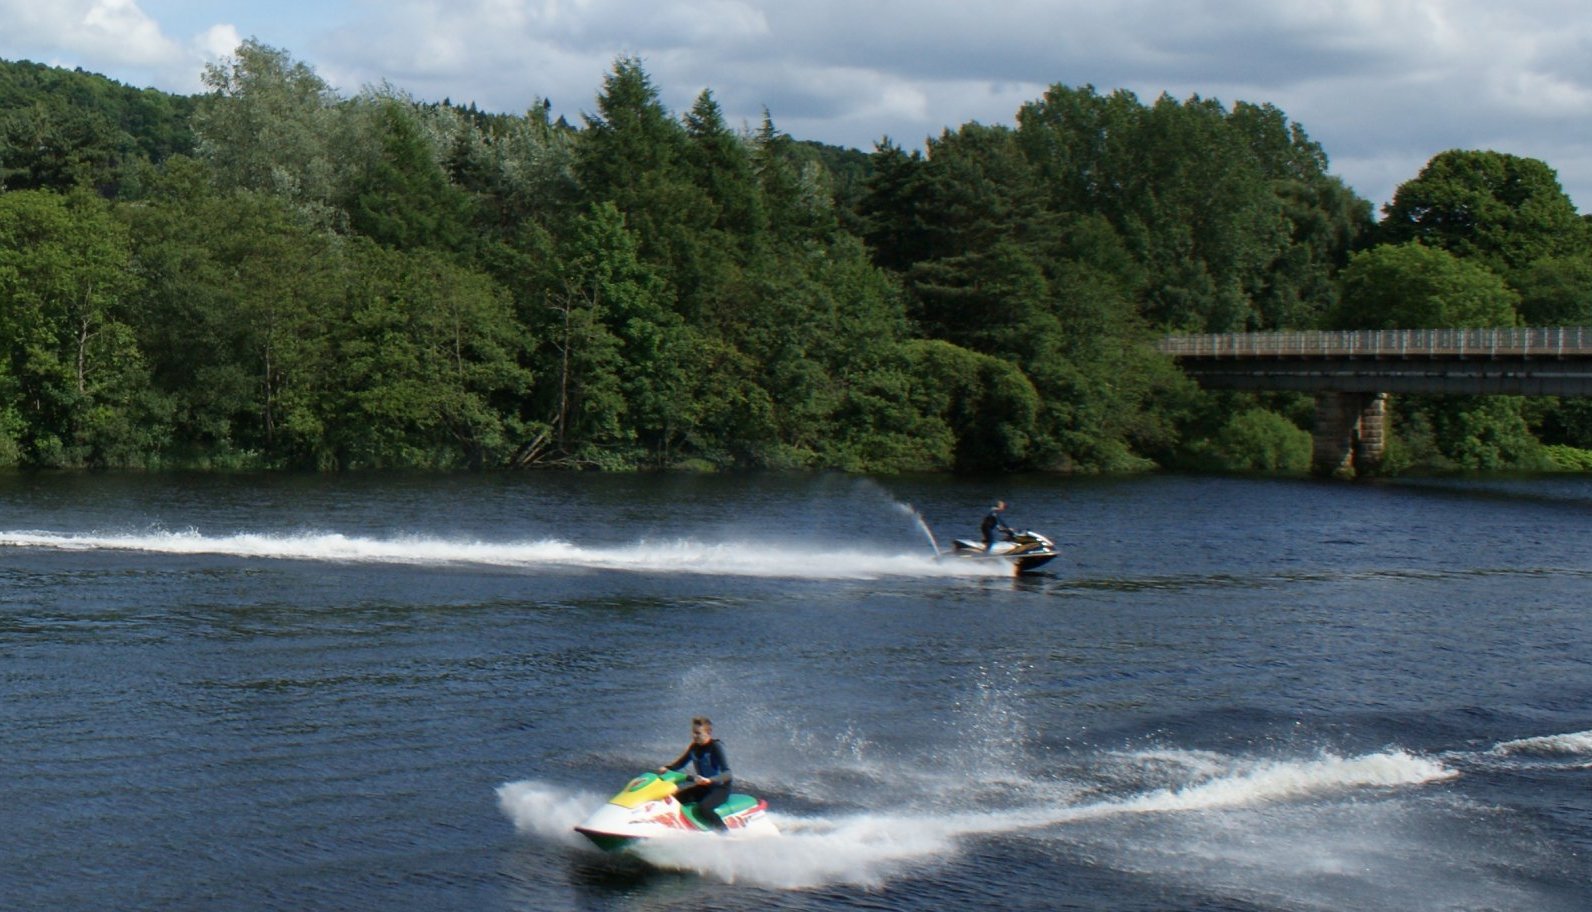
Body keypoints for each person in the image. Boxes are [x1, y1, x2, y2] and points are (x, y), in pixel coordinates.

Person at [658, 716, 732, 831]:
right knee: (674, 800)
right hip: (704, 787)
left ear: (708, 732)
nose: (694, 736)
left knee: (704, 808)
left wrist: (710, 780)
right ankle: (673, 826)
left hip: (720, 788)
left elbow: (728, 773)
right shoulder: (694, 747)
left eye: (698, 733)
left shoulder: (715, 747)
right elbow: (680, 763)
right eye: (693, 732)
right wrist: (667, 768)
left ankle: (725, 834)